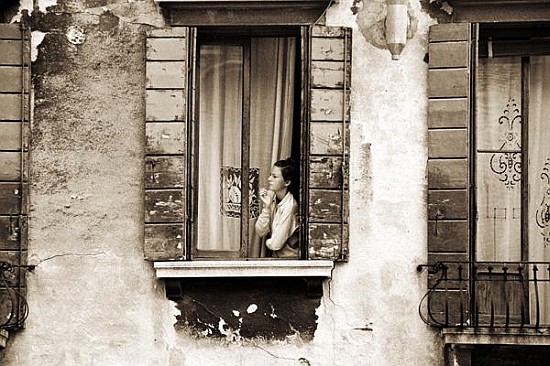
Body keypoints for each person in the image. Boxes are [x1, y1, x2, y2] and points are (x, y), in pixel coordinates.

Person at [255, 158, 299, 258]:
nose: (269, 179)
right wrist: (266, 207)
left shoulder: (290, 206)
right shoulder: (272, 198)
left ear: (287, 182)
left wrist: (268, 242)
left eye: (274, 177)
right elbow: (260, 231)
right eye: (270, 175)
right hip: (277, 258)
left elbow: (275, 244)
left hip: (289, 261)